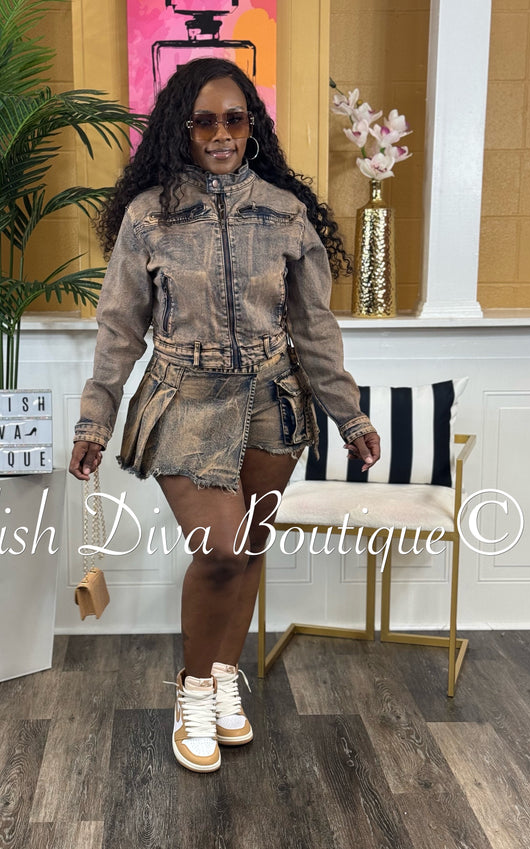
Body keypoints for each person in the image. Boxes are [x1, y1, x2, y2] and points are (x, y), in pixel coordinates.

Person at [69, 57, 380, 774]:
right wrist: (95, 421)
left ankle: (220, 680)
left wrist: (350, 416)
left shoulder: (285, 213)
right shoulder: (149, 217)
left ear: (251, 127)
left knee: (250, 549)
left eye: (234, 119)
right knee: (220, 551)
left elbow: (314, 328)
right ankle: (192, 693)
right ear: (181, 130)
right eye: (204, 121)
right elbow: (119, 330)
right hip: (184, 398)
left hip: (273, 402)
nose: (220, 134)